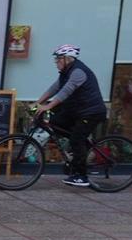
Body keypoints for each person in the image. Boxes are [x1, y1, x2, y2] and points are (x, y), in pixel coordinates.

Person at [37, 44, 108, 189]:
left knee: (76, 138)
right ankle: (81, 150)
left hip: (91, 111)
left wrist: (48, 106)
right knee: (56, 122)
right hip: (78, 110)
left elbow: (66, 92)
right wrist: (37, 102)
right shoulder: (65, 72)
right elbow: (55, 88)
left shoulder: (78, 72)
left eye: (58, 59)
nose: (56, 62)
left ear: (67, 59)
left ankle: (81, 176)